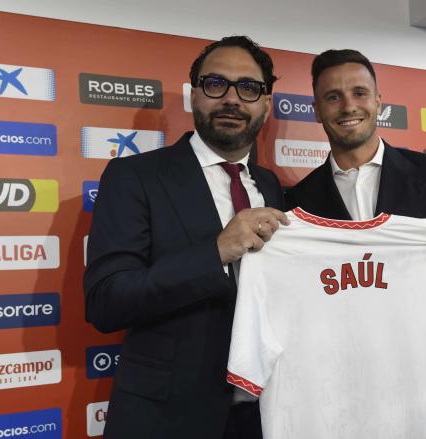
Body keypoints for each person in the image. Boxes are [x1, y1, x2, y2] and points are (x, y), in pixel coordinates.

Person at [84, 35, 288, 439]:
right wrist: (216, 252)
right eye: (216, 84)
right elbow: (106, 301)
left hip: (268, 413)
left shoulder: (273, 186)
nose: (232, 99)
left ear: (265, 103)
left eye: (248, 88)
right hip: (168, 418)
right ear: (194, 95)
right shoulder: (134, 177)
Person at [285, 49, 426, 439]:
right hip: (342, 401)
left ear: (379, 101)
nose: (348, 106)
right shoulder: (296, 203)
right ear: (316, 109)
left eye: (360, 93)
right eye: (333, 97)